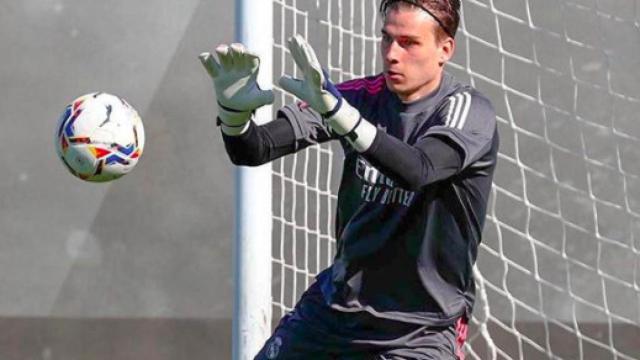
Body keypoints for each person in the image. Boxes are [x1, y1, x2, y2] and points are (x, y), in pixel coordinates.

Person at [199, 0, 498, 358]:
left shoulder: (467, 110)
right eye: (386, 39)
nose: (392, 54)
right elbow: (253, 150)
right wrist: (233, 115)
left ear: (445, 49)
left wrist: (343, 117)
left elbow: (419, 170)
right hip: (333, 314)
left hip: (420, 329)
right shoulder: (357, 98)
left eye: (409, 43)